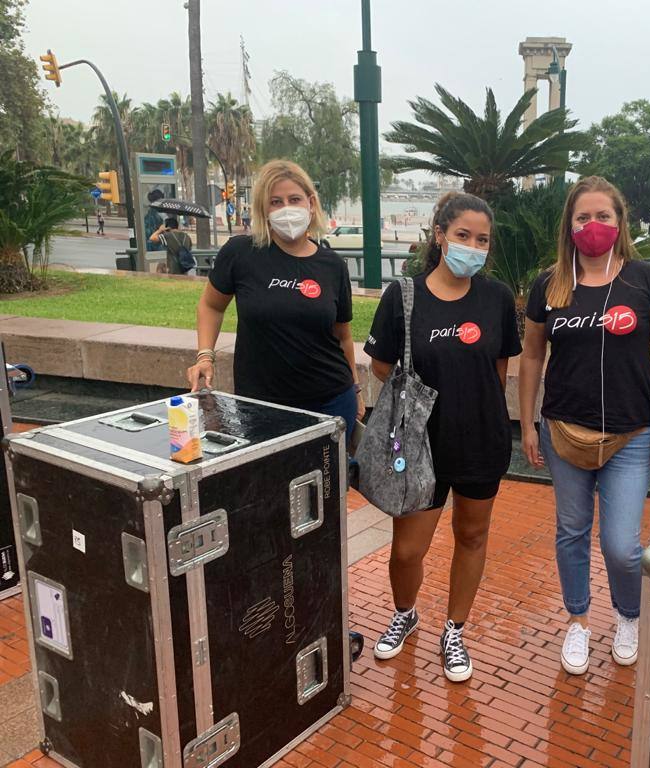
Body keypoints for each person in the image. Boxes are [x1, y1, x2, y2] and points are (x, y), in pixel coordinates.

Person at [518, 176, 650, 676]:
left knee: (622, 545)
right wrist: (526, 423)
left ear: (620, 222)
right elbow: (530, 356)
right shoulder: (549, 284)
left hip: (631, 436)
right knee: (571, 531)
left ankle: (628, 615)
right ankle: (577, 620)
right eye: (583, 217)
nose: (594, 226)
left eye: (603, 216)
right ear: (569, 226)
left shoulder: (643, 279)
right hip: (563, 432)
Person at [363, 192, 521, 683]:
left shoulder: (496, 298)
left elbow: (499, 368)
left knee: (471, 536)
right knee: (407, 550)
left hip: (481, 441)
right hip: (417, 448)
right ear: (439, 235)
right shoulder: (404, 295)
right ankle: (406, 613)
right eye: (462, 235)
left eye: (482, 240)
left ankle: (455, 629)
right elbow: (381, 366)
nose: (472, 247)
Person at [186, 159, 364, 445]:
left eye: (294, 199)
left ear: (311, 203)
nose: (286, 209)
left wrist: (355, 390)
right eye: (275, 202)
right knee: (269, 486)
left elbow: (342, 335)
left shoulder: (332, 265)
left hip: (330, 401)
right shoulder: (241, 253)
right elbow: (211, 306)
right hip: (261, 406)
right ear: (263, 209)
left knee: (330, 487)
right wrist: (204, 355)